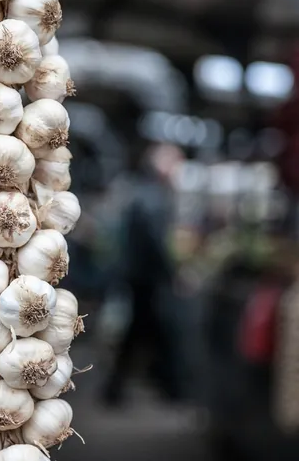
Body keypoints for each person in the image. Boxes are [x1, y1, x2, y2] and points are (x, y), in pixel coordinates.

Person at [103, 142, 188, 405]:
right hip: (145, 277)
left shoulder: (144, 190)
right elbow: (156, 241)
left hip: (139, 275)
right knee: (149, 329)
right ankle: (165, 387)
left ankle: (160, 385)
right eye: (175, 163)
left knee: (145, 329)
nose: (178, 170)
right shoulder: (153, 194)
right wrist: (171, 272)